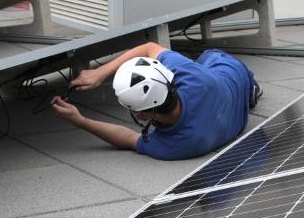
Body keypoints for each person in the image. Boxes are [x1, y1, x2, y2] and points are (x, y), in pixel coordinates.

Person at [50, 42, 261, 160]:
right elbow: (150, 47)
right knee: (207, 65)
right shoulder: (191, 76)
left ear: (143, 114)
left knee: (208, 60)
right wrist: (100, 73)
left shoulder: (181, 144)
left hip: (224, 70)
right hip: (230, 73)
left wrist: (81, 122)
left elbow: (128, 139)